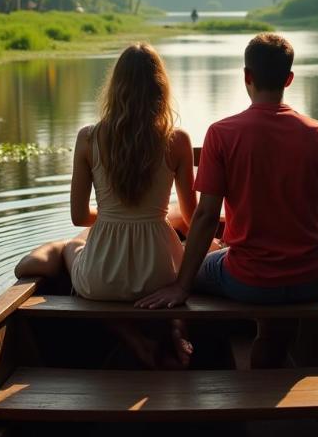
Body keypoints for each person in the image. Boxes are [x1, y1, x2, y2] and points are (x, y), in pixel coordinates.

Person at [136, 33, 318, 366]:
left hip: (248, 281)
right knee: (277, 303)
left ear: (247, 76)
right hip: (315, 279)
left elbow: (205, 218)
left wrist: (181, 286)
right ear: (289, 79)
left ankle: (179, 344)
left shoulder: (222, 133)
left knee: (185, 265)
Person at [14, 42, 197, 367]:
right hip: (160, 274)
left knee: (73, 247)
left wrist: (111, 216)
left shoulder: (88, 138)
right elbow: (193, 218)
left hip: (101, 279)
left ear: (116, 87)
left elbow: (79, 216)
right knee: (185, 263)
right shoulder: (177, 140)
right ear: (161, 88)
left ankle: (134, 340)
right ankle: (174, 329)